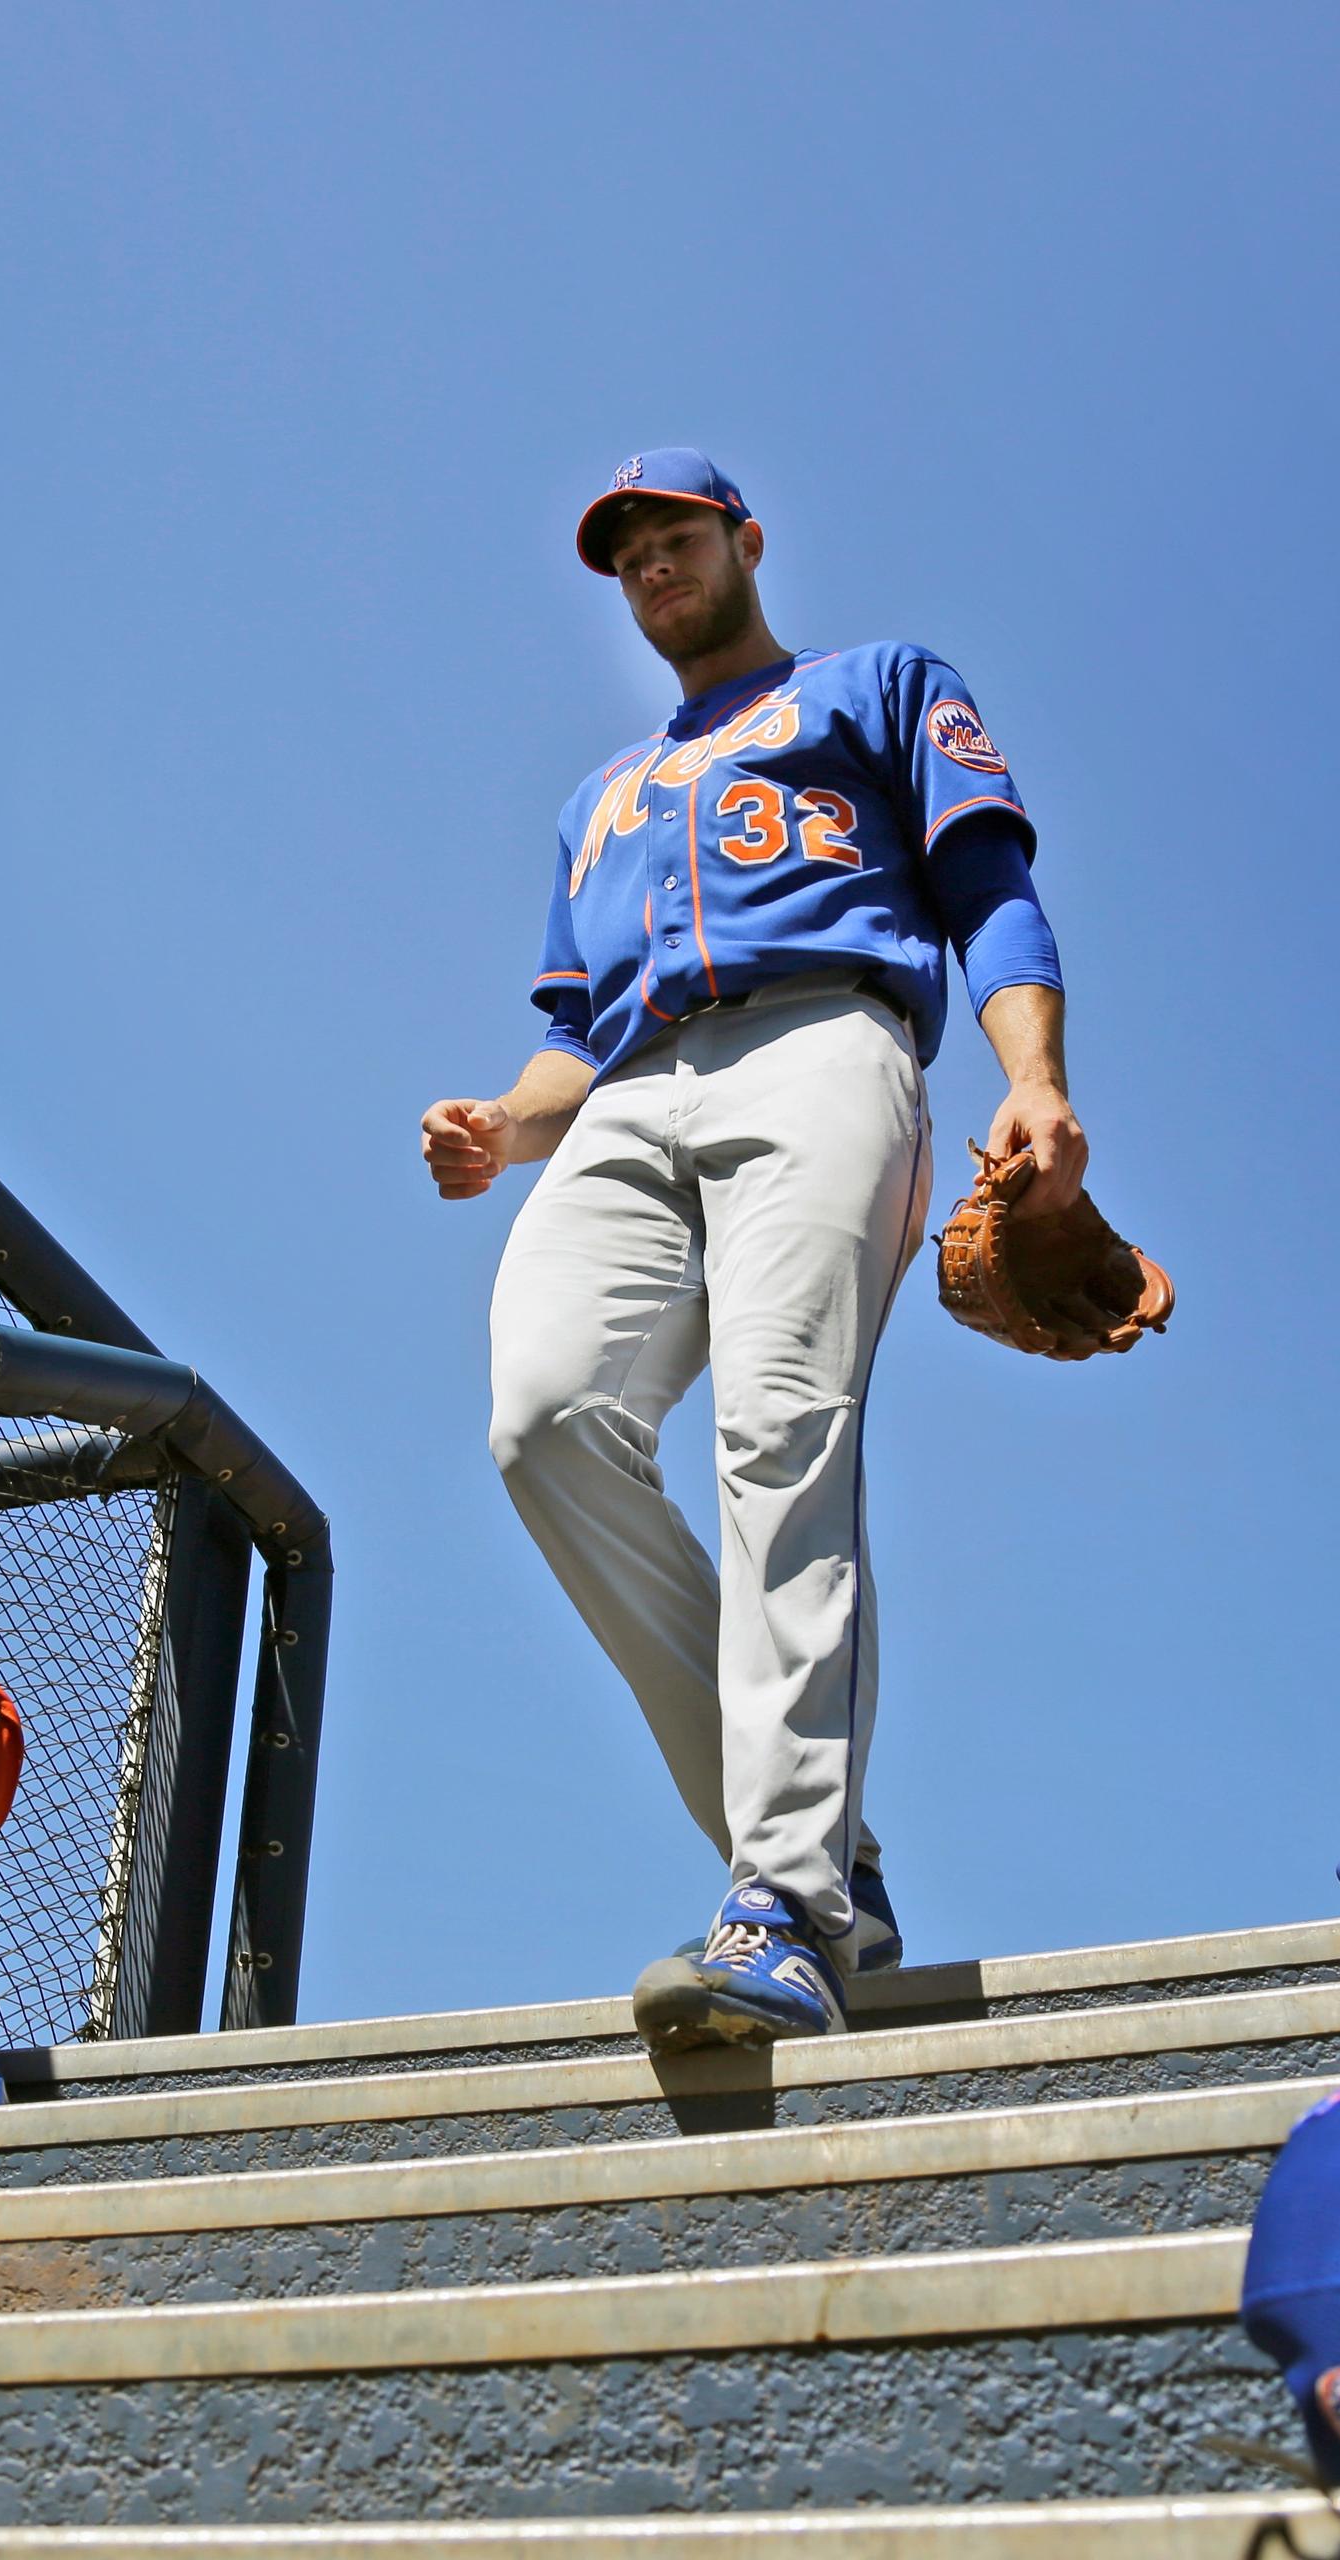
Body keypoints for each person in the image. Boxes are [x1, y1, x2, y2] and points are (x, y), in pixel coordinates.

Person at [418, 449, 1084, 2051]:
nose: (652, 561)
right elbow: (574, 1030)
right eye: (627, 550)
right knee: (544, 1425)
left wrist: (1037, 1077)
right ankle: (831, 1855)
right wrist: (510, 1127)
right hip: (631, 1096)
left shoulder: (879, 685)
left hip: (826, 1040)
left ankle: (783, 1903)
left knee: (782, 1433)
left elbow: (984, 884)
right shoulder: (599, 800)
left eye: (677, 533)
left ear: (744, 539)